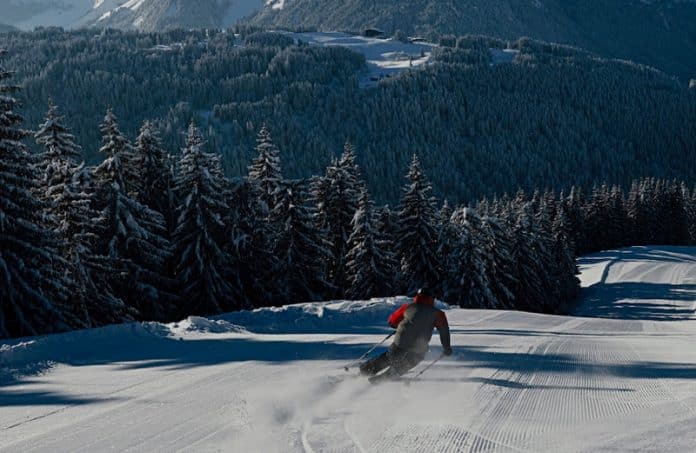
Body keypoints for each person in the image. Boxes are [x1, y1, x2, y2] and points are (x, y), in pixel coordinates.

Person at [360, 287, 452, 382]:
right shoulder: (438, 314)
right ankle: (383, 379)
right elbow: (444, 331)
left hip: (400, 341)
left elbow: (392, 322)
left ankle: (365, 371)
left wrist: (401, 324)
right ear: (432, 298)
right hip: (418, 348)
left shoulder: (408, 307)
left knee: (389, 357)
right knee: (407, 363)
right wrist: (447, 348)